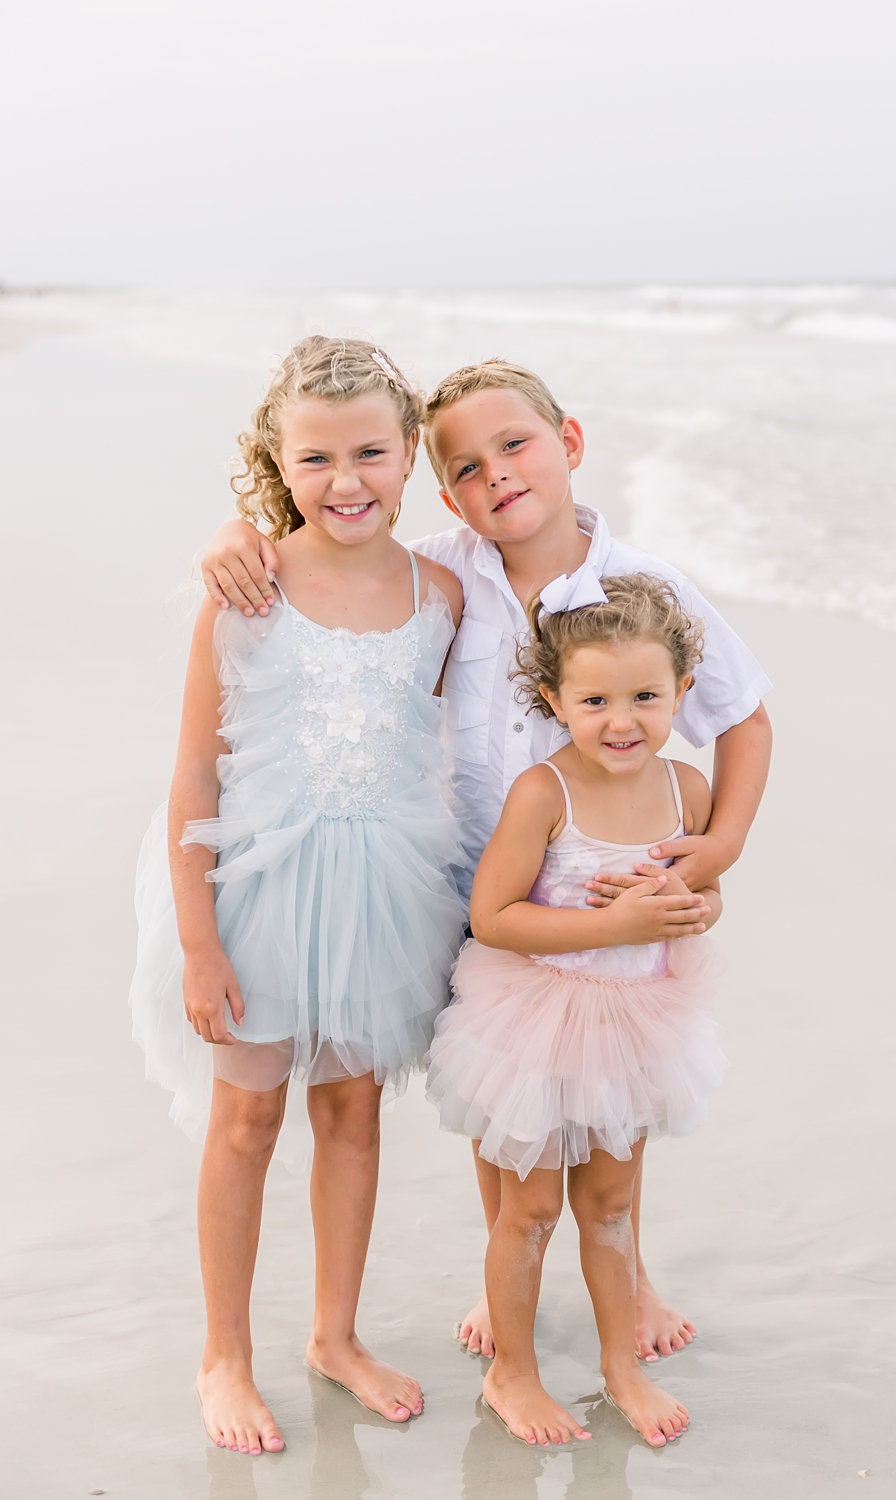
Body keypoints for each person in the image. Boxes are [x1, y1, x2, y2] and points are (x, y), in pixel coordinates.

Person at [199, 357, 772, 1362]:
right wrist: (235, 533)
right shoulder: (443, 571)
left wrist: (715, 847)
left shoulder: (643, 587)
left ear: (570, 445)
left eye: (515, 445)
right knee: (501, 1097)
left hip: (610, 883)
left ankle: (625, 1275)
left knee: (611, 1093)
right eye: (466, 466)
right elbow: (331, 553)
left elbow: (744, 715)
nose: (495, 475)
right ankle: (504, 1274)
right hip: (478, 888)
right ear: (439, 482)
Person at [130, 337, 466, 1456]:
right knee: (247, 1117)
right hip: (259, 894)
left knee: (352, 1110)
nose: (347, 480)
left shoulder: (441, 594)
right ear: (278, 460)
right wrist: (196, 942)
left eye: (371, 451)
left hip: (381, 895)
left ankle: (334, 1334)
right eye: (315, 458)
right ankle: (224, 1352)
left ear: (410, 453)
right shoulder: (246, 591)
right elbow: (194, 771)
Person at [427, 573, 725, 1447]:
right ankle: (510, 1373)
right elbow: (494, 917)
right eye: (594, 700)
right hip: (538, 1026)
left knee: (610, 1210)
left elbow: (703, 898)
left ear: (681, 692)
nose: (621, 720)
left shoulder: (688, 794)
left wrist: (695, 909)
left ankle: (619, 1368)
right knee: (531, 1212)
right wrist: (616, 918)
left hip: (636, 1026)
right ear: (554, 699)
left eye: (645, 696)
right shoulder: (542, 794)